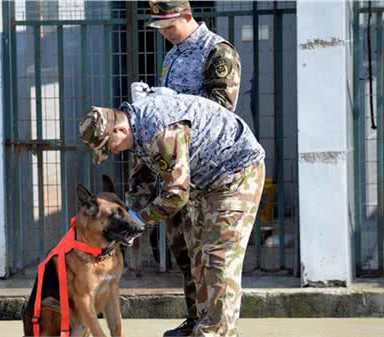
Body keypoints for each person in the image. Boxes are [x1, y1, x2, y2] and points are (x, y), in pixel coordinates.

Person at [79, 86, 265, 337]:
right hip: (205, 182)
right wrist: (130, 216)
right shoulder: (135, 130)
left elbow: (177, 194)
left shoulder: (160, 131)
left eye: (109, 146)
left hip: (236, 172)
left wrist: (139, 220)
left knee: (218, 258)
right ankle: (201, 324)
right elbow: (141, 182)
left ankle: (216, 333)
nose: (112, 151)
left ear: (119, 130)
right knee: (197, 256)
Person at [132, 1, 243, 335]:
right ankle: (196, 318)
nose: (164, 34)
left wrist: (170, 102)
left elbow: (221, 111)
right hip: (178, 168)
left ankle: (213, 324)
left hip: (206, 169)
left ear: (186, 15)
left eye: (168, 25)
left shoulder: (217, 52)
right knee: (184, 251)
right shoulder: (174, 53)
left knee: (206, 255)